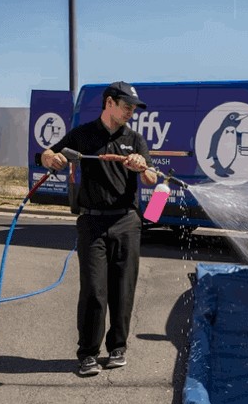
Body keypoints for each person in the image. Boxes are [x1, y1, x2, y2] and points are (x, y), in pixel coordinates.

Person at [38, 82, 158, 376]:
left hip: (127, 222)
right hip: (92, 222)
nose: (131, 112)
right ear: (109, 103)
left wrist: (142, 167)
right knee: (94, 290)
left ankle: (118, 347)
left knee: (123, 289)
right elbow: (48, 153)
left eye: (133, 108)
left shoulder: (136, 140)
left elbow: (152, 180)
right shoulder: (83, 134)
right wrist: (49, 158)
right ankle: (88, 354)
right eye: (126, 106)